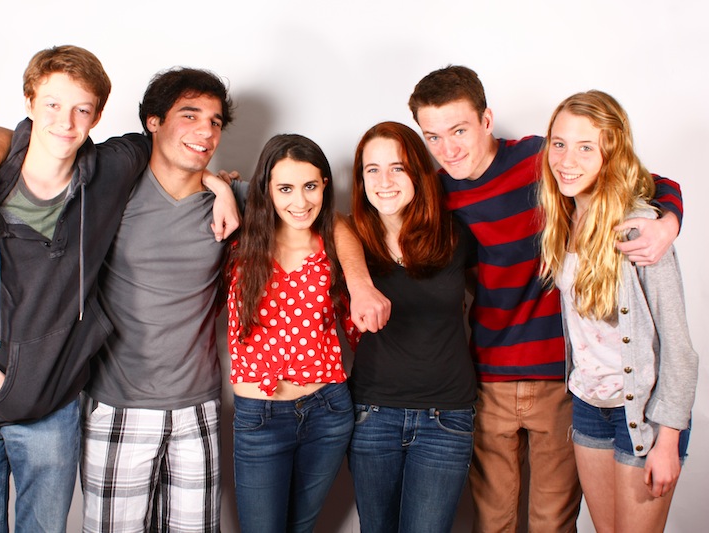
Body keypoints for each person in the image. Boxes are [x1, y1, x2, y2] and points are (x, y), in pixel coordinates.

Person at [0, 70, 389, 532]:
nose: (205, 131)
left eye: (215, 121)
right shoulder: (108, 184)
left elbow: (325, 220)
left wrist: (359, 284)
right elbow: (2, 137)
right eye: (189, 115)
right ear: (153, 122)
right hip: (118, 406)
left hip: (198, 409)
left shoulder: (236, 202)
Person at [408, 65, 684, 532]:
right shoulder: (438, 194)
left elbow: (639, 181)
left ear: (487, 120)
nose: (447, 149)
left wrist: (668, 221)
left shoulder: (543, 158)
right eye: (432, 137)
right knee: (492, 519)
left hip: (561, 377)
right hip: (488, 377)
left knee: (552, 521)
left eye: (458, 130)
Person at [0, 45, 151, 532]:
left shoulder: (110, 170)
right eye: (52, 105)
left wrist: (215, 181)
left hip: (53, 408)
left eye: (81, 109)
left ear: (97, 115)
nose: (65, 122)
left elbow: (170, 146)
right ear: (29, 103)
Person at [538, 90, 697, 533]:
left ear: (611, 153)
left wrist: (667, 440)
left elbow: (680, 348)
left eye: (586, 147)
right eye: (559, 143)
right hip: (589, 406)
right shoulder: (564, 221)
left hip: (642, 414)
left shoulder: (639, 229)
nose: (567, 159)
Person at [346, 121, 478, 533]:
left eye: (397, 168)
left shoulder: (454, 235)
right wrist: (224, 186)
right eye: (372, 169)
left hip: (447, 416)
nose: (384, 181)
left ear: (418, 174)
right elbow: (278, 209)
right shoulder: (350, 238)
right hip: (372, 414)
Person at [226, 134, 359, 533]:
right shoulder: (238, 240)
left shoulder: (337, 245)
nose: (300, 202)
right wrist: (219, 185)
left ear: (325, 186)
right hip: (259, 417)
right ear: (266, 189)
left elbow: (358, 327)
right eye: (285, 188)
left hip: (328, 411)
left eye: (310, 187)